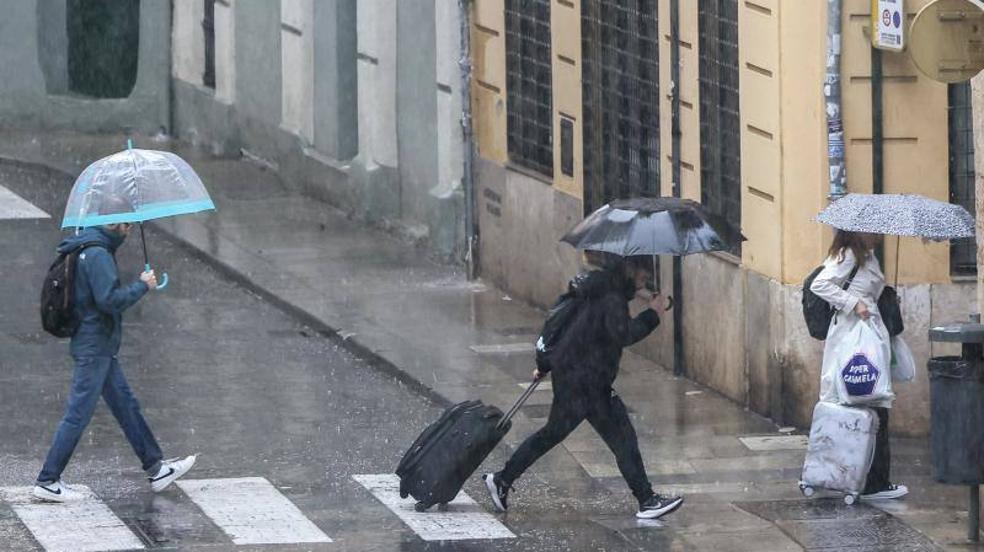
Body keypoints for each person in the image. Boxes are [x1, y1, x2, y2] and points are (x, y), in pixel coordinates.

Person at [483, 254, 684, 519]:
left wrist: (547, 362)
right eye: (643, 276)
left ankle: (502, 479)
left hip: (575, 376)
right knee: (622, 438)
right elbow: (623, 334)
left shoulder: (595, 286)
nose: (643, 283)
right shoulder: (611, 297)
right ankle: (646, 500)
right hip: (587, 382)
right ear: (629, 268)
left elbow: (566, 325)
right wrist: (653, 314)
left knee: (553, 434)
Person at [33, 222, 195, 502]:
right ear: (115, 223)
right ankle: (47, 480)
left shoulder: (86, 247)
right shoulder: (98, 254)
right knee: (78, 414)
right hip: (94, 346)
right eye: (126, 224)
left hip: (98, 345)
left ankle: (156, 468)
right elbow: (108, 301)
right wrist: (142, 286)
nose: (128, 230)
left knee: (126, 406)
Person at [810, 230, 907, 500]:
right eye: (873, 230)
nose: (879, 234)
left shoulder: (866, 256)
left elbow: (867, 289)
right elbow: (820, 284)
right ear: (858, 231)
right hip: (854, 339)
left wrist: (884, 297)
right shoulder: (849, 255)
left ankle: (864, 478)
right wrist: (853, 304)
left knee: (869, 406)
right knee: (869, 405)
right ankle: (872, 482)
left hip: (867, 335)